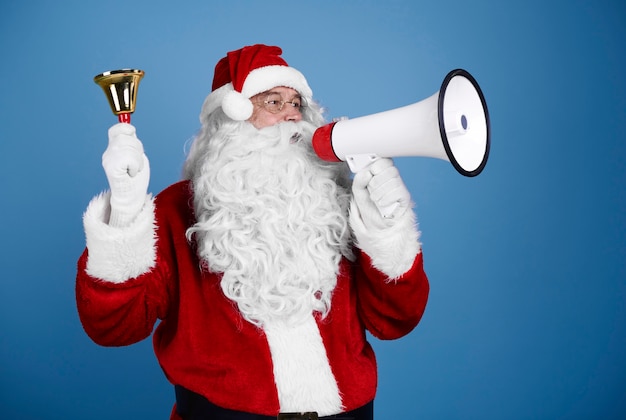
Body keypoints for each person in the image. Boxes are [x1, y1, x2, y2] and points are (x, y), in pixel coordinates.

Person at [76, 44, 429, 420]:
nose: (292, 116)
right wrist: (127, 210)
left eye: (297, 104)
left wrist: (388, 231)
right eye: (274, 103)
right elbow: (114, 327)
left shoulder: (338, 200)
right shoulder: (175, 211)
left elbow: (395, 321)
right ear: (232, 121)